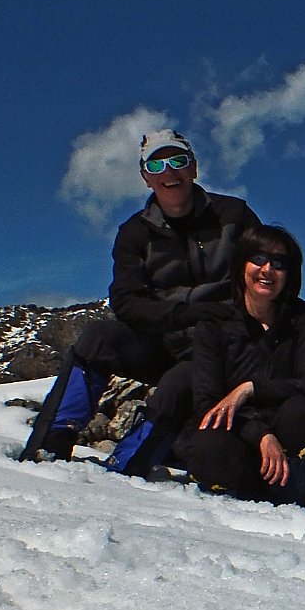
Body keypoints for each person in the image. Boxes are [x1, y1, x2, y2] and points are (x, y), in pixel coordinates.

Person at [20, 128, 260, 475]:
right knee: (98, 338)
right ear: (145, 177)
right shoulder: (135, 232)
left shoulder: (234, 215)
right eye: (157, 164)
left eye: (178, 161)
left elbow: (268, 271)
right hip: (165, 339)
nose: (169, 172)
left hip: (221, 347)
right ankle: (50, 446)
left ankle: (124, 469)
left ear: (194, 168)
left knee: (180, 383)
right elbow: (126, 302)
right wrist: (183, 315)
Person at [174, 225, 305, 506]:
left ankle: (294, 499)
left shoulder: (302, 320)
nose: (267, 270)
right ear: (241, 264)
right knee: (209, 443)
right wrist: (261, 434)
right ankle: (229, 503)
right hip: (239, 435)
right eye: (258, 259)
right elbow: (208, 403)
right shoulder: (215, 325)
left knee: (302, 412)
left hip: (290, 439)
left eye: (279, 263)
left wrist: (250, 389)